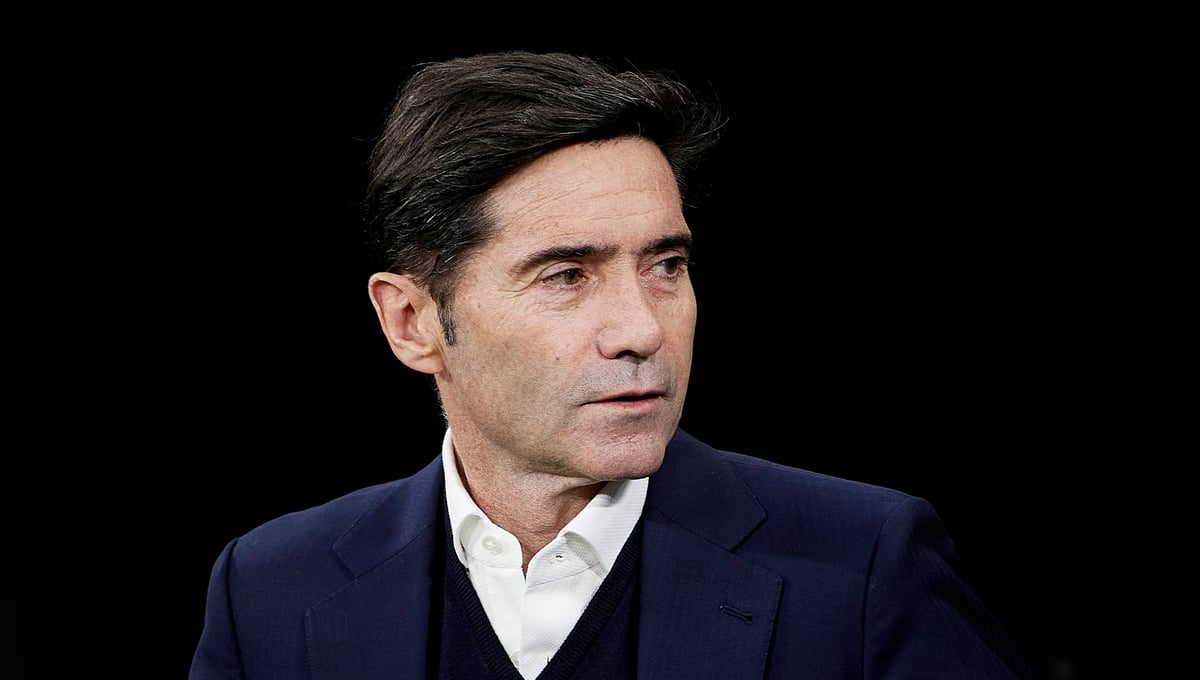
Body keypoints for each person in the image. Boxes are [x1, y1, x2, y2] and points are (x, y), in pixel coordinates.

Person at [189, 50, 1032, 679]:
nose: (641, 329)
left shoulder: (866, 567)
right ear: (412, 323)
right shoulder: (268, 589)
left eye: (667, 265)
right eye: (566, 275)